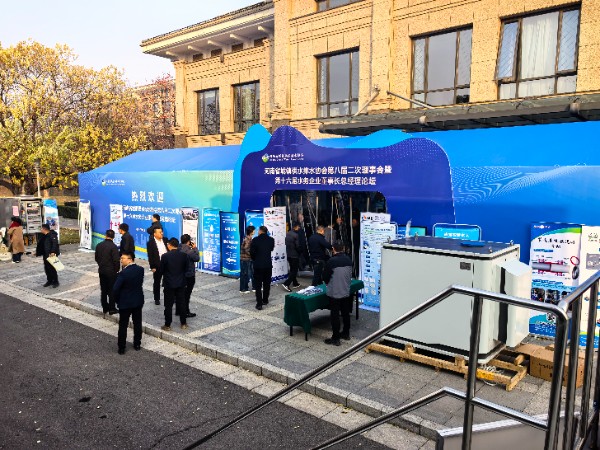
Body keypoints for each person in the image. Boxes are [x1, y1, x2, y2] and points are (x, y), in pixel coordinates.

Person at [322, 241, 353, 346]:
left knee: (335, 315)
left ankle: (335, 338)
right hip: (346, 290)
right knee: (345, 313)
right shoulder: (348, 259)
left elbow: (325, 277)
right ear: (343, 248)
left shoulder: (331, 261)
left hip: (334, 292)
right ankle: (346, 333)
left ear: (333, 249)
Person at [113, 252, 145, 354]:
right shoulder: (141, 270)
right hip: (137, 301)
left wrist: (117, 300)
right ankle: (137, 344)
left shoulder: (123, 273)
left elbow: (115, 289)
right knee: (137, 323)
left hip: (125, 302)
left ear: (130, 259)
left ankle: (122, 347)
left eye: (123, 258)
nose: (121, 260)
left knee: (123, 325)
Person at [160, 237, 189, 331]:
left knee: (168, 305)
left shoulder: (165, 256)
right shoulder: (184, 255)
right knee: (182, 303)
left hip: (169, 283)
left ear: (169, 245)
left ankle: (167, 325)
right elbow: (186, 269)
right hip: (181, 283)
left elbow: (161, 270)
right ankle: (183, 323)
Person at [94, 230, 120, 315]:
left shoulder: (99, 245)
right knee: (111, 290)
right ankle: (112, 308)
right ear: (113, 237)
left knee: (104, 290)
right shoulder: (113, 247)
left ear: (106, 235)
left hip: (102, 270)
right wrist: (116, 270)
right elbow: (116, 261)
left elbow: (96, 258)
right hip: (111, 272)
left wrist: (101, 264)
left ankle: (105, 307)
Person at [250, 225, 274, 310]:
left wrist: (255, 259)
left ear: (260, 231)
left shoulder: (255, 240)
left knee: (258, 285)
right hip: (268, 265)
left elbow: (252, 253)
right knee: (267, 283)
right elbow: (271, 249)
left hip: (258, 265)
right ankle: (265, 300)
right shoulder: (271, 240)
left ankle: (259, 304)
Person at [179, 234, 199, 318]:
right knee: (187, 294)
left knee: (181, 293)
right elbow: (197, 258)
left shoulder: (178, 248)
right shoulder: (190, 251)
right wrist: (195, 248)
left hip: (180, 275)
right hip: (189, 275)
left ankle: (179, 310)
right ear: (188, 241)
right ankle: (186, 312)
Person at [146, 227, 168, 305]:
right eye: (159, 232)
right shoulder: (150, 243)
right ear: (154, 234)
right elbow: (150, 255)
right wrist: (152, 266)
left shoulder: (165, 240)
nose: (162, 233)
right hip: (158, 265)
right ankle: (157, 298)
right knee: (157, 282)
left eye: (162, 232)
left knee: (168, 281)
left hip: (167, 264)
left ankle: (169, 296)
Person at [36, 224, 60, 288]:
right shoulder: (43, 235)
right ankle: (49, 280)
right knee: (47, 268)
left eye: (41, 228)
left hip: (51, 254)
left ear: (44, 229)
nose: (40, 230)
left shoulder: (52, 235)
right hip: (45, 254)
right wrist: (37, 252)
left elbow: (55, 244)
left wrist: (53, 251)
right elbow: (41, 245)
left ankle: (55, 281)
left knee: (52, 268)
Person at [282, 222, 301, 292]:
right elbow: (297, 246)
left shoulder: (288, 234)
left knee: (292, 269)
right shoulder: (296, 235)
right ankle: (286, 283)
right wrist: (300, 252)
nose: (299, 228)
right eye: (298, 227)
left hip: (289, 254)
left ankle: (295, 283)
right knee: (294, 271)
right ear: (296, 227)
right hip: (294, 255)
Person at [240, 225, 255, 294]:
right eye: (253, 230)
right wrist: (252, 254)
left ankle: (244, 288)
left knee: (247, 273)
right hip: (246, 259)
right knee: (245, 274)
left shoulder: (248, 238)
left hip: (246, 259)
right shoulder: (247, 239)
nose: (254, 231)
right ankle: (243, 288)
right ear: (251, 231)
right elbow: (246, 249)